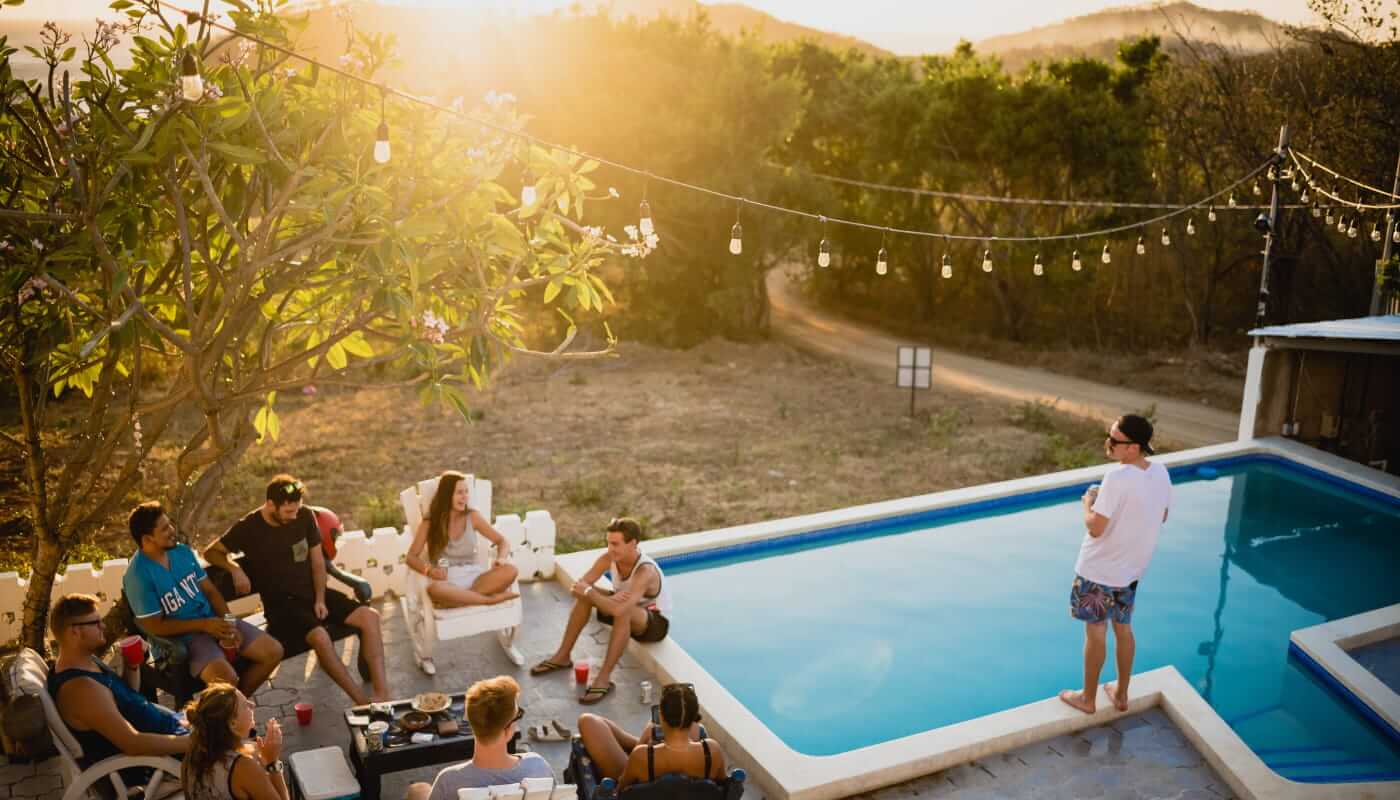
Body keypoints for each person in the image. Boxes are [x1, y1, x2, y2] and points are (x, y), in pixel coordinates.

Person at [203, 475, 390, 705]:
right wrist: (233, 567)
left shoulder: (304, 515)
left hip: (312, 595)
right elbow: (210, 552)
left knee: (370, 617)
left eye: (296, 509)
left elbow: (318, 562)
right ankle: (362, 702)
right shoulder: (249, 527)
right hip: (282, 608)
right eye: (288, 511)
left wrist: (321, 599)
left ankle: (382, 696)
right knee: (321, 637)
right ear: (270, 504)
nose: (294, 516)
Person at [1059, 414, 1172, 715]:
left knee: (1096, 631)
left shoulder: (1116, 479)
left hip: (1098, 571)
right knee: (1123, 628)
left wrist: (1088, 503)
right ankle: (1121, 694)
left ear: (1133, 448)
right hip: (1131, 571)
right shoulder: (1161, 472)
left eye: (1114, 440)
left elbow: (1095, 528)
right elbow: (1161, 516)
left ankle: (1087, 698)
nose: (1107, 443)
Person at [123, 501, 283, 696]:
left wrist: (230, 623)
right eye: (165, 529)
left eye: (170, 524)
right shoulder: (138, 575)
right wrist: (204, 625)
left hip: (214, 623)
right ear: (148, 539)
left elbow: (211, 592)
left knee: (273, 651)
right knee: (227, 680)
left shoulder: (181, 552)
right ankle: (229, 710)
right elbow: (154, 626)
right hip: (184, 640)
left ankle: (232, 708)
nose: (172, 530)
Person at [530, 517, 671, 704]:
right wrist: (596, 594)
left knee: (620, 609)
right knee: (586, 598)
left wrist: (592, 593)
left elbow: (618, 607)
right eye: (608, 543)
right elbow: (577, 587)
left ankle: (603, 679)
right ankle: (562, 656)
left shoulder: (645, 571)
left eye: (615, 544)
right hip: (623, 608)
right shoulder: (608, 558)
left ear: (633, 543)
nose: (610, 548)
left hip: (653, 624)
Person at [47, 593, 190, 769]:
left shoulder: (86, 661)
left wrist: (131, 666)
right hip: (163, 757)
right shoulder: (81, 689)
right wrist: (194, 742)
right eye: (95, 622)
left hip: (172, 729)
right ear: (74, 632)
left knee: (227, 706)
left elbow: (125, 699)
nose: (103, 626)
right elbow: (132, 743)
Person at [404, 471, 520, 674]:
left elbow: (502, 541)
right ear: (447, 494)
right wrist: (429, 569)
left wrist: (500, 559)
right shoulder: (430, 523)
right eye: (459, 493)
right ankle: (488, 600)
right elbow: (411, 557)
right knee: (436, 590)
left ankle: (465, 598)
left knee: (511, 570)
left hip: (475, 578)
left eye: (466, 492)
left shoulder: (472, 517)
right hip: (447, 581)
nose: (464, 497)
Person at [405, 676, 552, 800]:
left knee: (417, 790)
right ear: (508, 730)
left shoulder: (449, 780)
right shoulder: (537, 766)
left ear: (471, 723)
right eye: (517, 715)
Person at [577, 683, 726, 786]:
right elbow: (722, 786)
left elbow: (620, 792)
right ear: (694, 717)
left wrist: (642, 743)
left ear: (660, 716)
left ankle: (644, 740)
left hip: (646, 772)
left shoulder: (641, 756)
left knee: (588, 721)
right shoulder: (712, 750)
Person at [181, 683, 288, 800]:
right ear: (232, 724)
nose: (252, 704)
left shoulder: (192, 753)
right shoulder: (243, 767)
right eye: (245, 705)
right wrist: (272, 762)